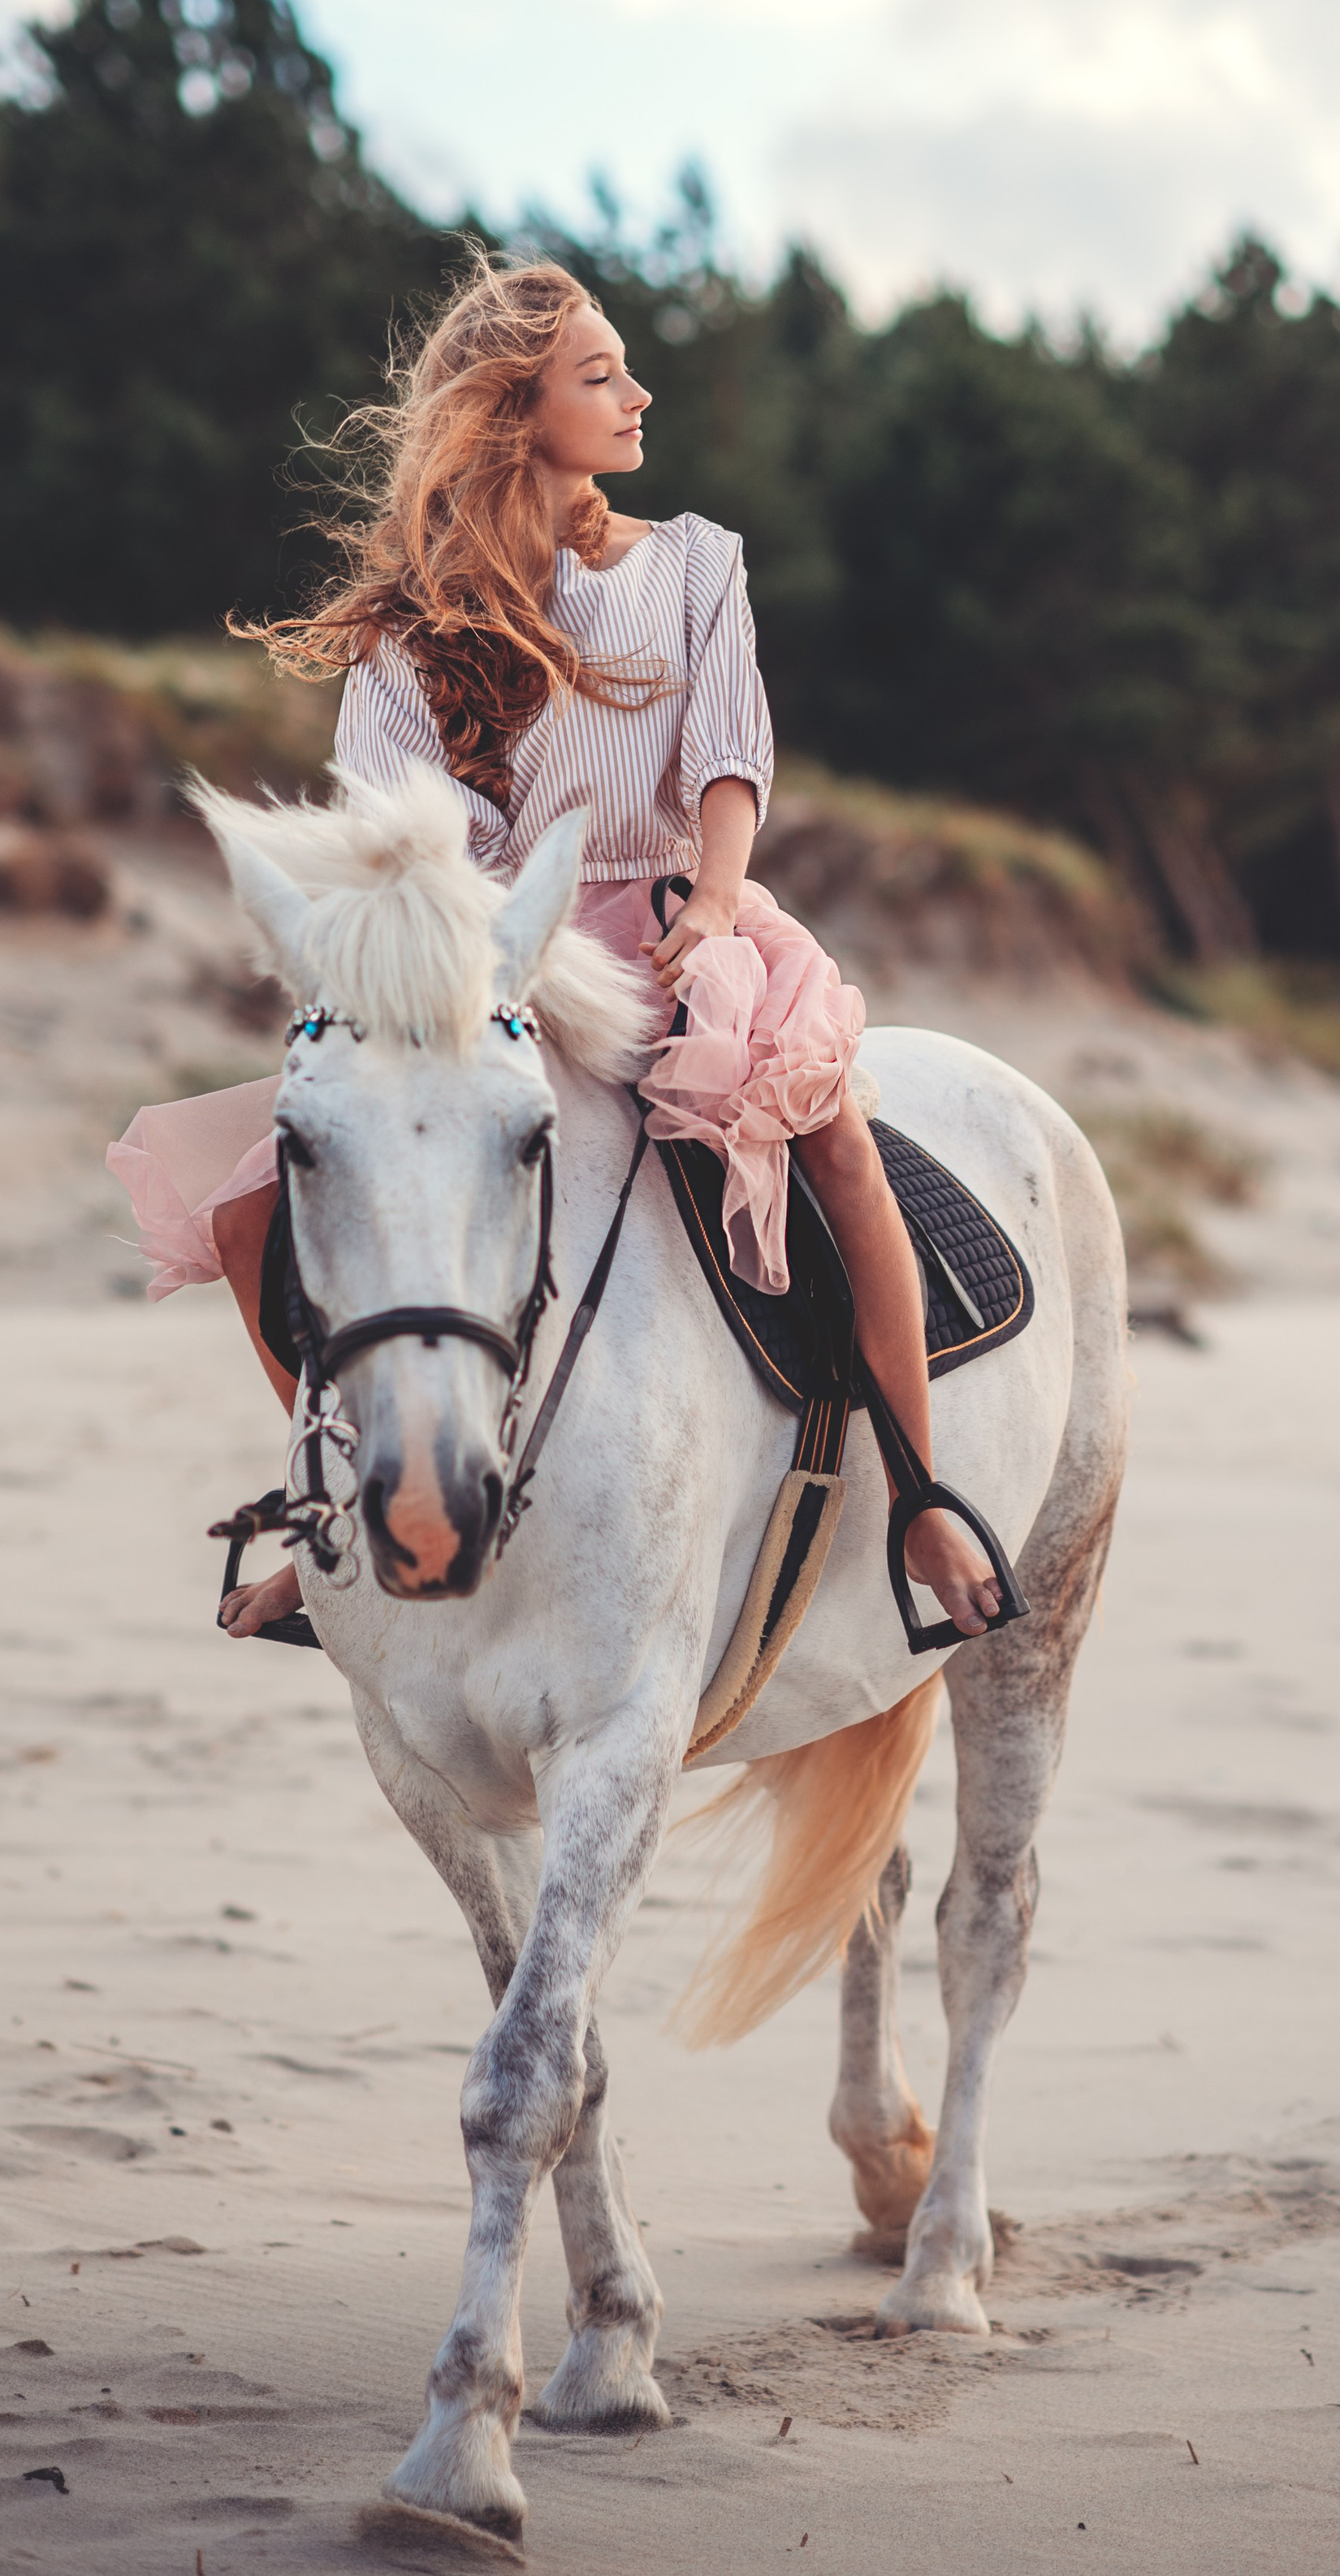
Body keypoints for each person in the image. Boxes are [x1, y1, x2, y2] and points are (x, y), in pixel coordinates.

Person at [107, 253, 1001, 1644]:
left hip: (666, 909)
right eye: (602, 375)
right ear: (516, 413)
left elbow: (728, 756)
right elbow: (410, 829)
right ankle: (339, 1506)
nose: (640, 394)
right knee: (242, 1214)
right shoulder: (410, 631)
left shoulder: (697, 561)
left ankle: (925, 1493)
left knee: (827, 1132)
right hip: (496, 951)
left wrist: (713, 905)